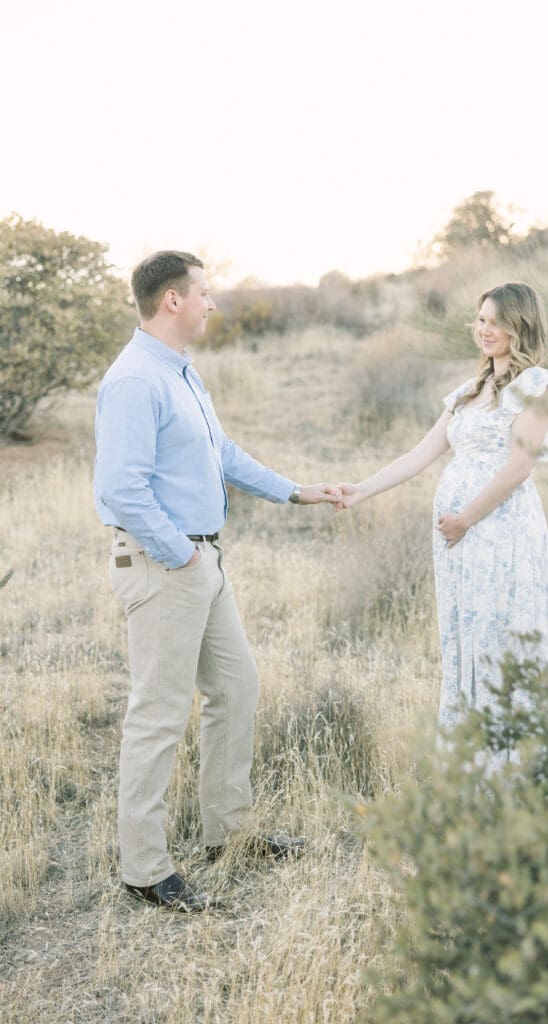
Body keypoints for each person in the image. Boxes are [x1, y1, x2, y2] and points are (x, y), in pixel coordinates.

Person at [94, 250, 340, 913]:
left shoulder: (181, 372)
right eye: (203, 292)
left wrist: (296, 493)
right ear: (172, 300)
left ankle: (227, 833)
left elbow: (221, 454)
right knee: (158, 714)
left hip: (202, 563)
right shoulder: (134, 381)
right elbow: (120, 488)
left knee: (236, 685)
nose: (211, 302)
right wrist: (182, 555)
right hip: (166, 564)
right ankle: (144, 869)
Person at [338, 282, 548, 743]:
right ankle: (472, 760)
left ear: (519, 326)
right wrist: (361, 490)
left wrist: (466, 518)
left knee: (501, 637)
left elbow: (520, 466)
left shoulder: (535, 384)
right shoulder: (469, 391)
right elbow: (420, 454)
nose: (484, 330)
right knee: (468, 638)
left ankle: (514, 762)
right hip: (459, 542)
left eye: (496, 321)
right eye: (481, 319)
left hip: (501, 531)